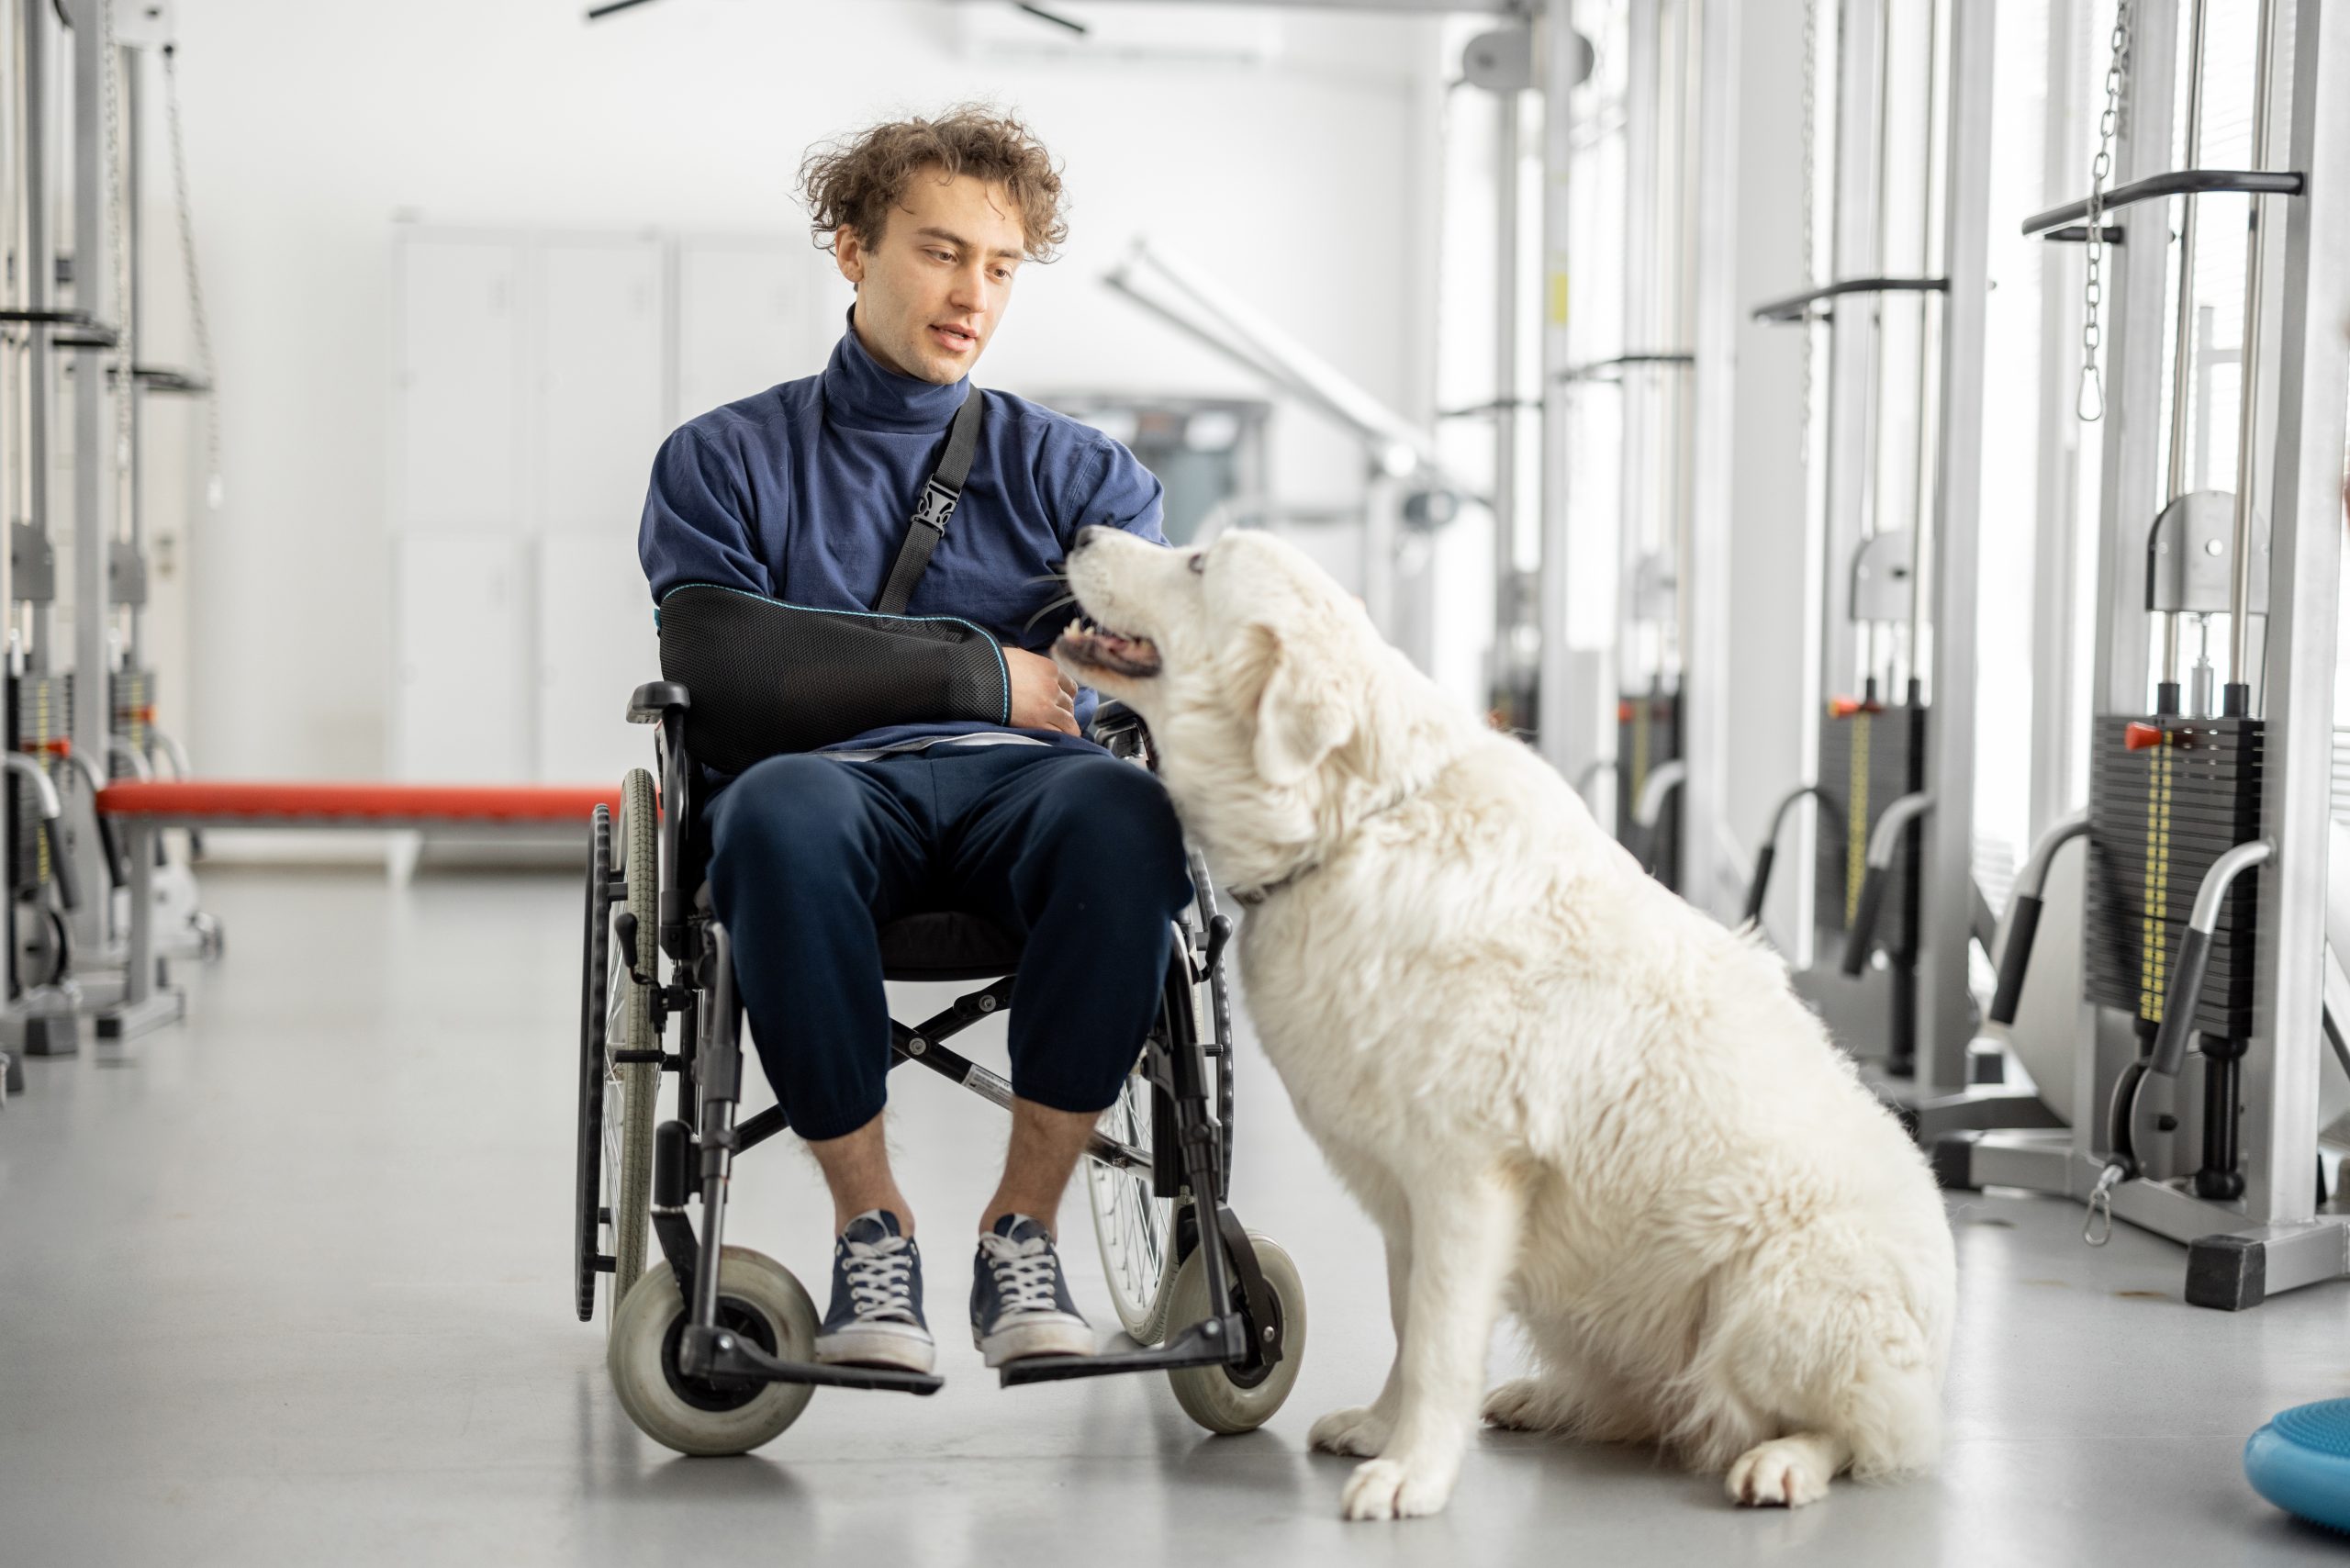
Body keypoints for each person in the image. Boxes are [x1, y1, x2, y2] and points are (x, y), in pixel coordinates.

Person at [637, 106, 1190, 1373]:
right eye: (941, 253)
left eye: (999, 268)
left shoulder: (1079, 471)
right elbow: (727, 672)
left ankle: (1024, 1233)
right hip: (825, 800)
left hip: (1035, 799)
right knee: (771, 809)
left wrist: (1127, 661)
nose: (973, 295)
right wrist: (980, 667)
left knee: (1131, 816)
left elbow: (1142, 666)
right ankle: (870, 1231)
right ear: (851, 248)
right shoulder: (725, 458)